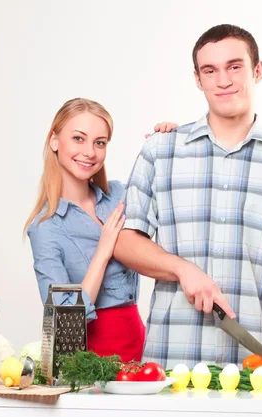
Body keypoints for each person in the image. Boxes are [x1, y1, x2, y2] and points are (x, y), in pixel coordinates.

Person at [114, 24, 262, 380]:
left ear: (257, 70)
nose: (223, 80)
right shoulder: (160, 151)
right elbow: (125, 241)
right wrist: (183, 270)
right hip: (171, 366)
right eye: (210, 70)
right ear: (198, 80)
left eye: (235, 67)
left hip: (257, 372)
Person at [24, 98, 176, 363]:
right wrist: (104, 251)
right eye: (78, 139)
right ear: (55, 141)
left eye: (100, 142)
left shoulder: (119, 195)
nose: (90, 152)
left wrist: (170, 147)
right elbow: (63, 321)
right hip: (88, 360)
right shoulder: (45, 227)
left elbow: (174, 204)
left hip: (140, 345)